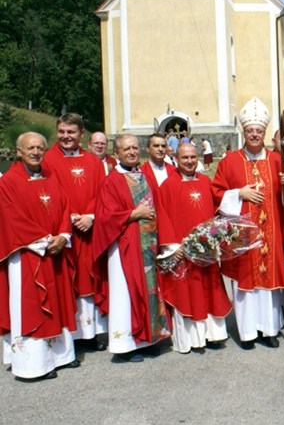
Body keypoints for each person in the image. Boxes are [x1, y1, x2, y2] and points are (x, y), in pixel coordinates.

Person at [211, 97, 284, 350]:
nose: (254, 134)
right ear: (243, 132)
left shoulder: (278, 160)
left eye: (258, 131)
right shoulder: (230, 161)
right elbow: (216, 192)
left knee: (267, 286)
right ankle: (247, 333)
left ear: (265, 133)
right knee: (245, 284)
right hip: (242, 235)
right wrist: (238, 194)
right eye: (250, 131)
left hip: (270, 233)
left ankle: (268, 330)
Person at [0, 132, 79, 380]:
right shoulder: (8, 182)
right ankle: (32, 366)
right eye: (30, 148)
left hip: (54, 251)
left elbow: (66, 207)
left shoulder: (51, 177)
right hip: (27, 254)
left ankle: (61, 356)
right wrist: (46, 241)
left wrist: (64, 236)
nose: (35, 152)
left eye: (40, 148)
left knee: (58, 302)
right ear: (19, 151)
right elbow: (12, 218)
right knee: (32, 305)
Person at [93, 133, 171, 362]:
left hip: (148, 245)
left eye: (134, 148)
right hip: (123, 248)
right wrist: (133, 214)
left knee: (149, 292)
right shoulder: (112, 181)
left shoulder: (144, 175)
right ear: (116, 153)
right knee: (125, 294)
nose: (131, 152)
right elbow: (104, 217)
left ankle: (148, 339)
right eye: (126, 149)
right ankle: (125, 344)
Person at [157, 143, 232, 353]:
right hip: (183, 251)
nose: (189, 161)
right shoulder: (168, 186)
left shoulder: (206, 182)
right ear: (177, 160)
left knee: (210, 289)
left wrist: (218, 236)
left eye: (192, 157)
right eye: (184, 158)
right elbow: (162, 217)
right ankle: (191, 339)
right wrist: (174, 246)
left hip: (206, 251)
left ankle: (213, 334)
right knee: (187, 292)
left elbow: (218, 211)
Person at [43, 113, 107, 351]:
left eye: (71, 132)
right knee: (67, 282)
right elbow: (47, 193)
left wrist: (91, 216)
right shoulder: (47, 160)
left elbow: (103, 194)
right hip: (63, 232)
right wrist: (68, 219)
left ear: (82, 134)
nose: (66, 136)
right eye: (61, 132)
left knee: (90, 278)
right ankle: (69, 334)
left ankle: (91, 334)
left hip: (90, 230)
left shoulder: (93, 162)